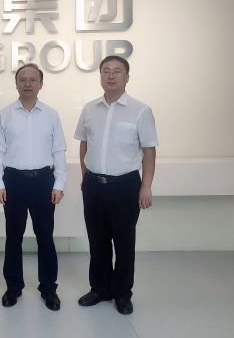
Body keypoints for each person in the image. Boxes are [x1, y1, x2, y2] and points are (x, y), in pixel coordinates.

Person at [74, 55, 158, 315]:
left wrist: (146, 186)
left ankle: (122, 294)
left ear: (127, 77)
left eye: (117, 71)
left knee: (123, 242)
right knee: (97, 241)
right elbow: (84, 144)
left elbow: (149, 151)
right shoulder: (89, 109)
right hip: (94, 185)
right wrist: (85, 175)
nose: (111, 76)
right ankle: (100, 289)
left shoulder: (140, 110)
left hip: (125, 186)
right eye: (106, 71)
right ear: (100, 76)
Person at [0, 63, 67, 311]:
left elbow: (59, 150)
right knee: (13, 237)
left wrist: (59, 183)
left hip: (43, 180)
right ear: (16, 84)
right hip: (13, 180)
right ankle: (13, 287)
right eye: (22, 79)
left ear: (41, 84)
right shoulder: (5, 114)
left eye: (33, 80)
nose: (27, 84)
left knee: (45, 237)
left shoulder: (51, 114)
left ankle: (48, 288)